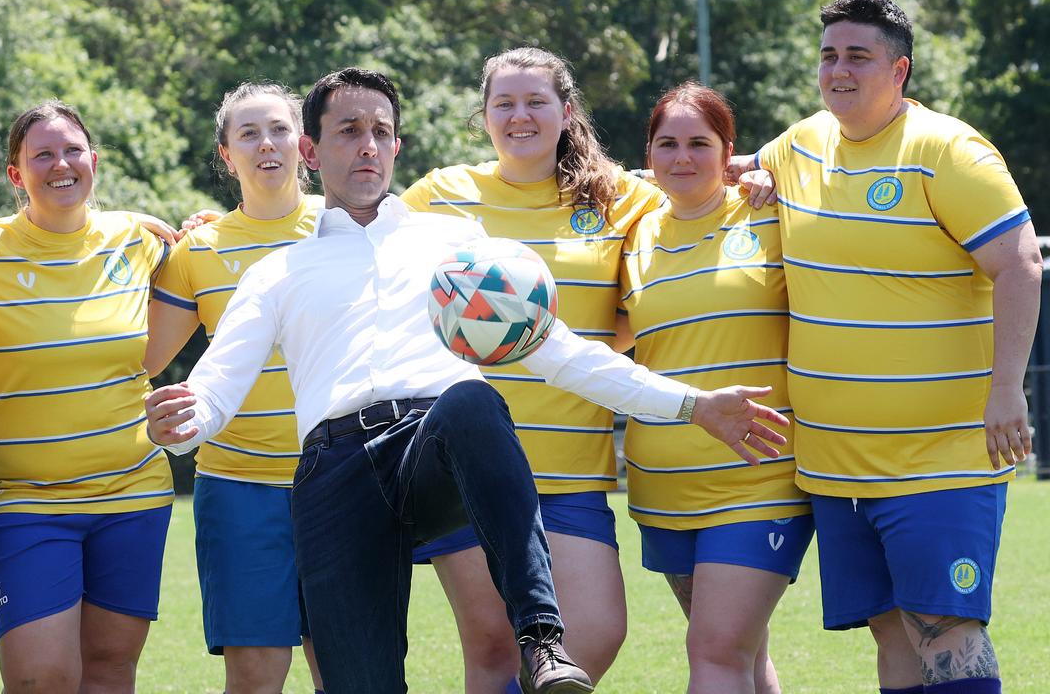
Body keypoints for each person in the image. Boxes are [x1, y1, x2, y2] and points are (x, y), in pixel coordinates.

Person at [144, 66, 790, 694]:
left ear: (397, 145)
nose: (366, 146)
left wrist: (691, 405)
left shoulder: (455, 244)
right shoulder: (279, 271)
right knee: (358, 680)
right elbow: (219, 381)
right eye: (346, 131)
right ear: (311, 149)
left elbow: (560, 351)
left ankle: (540, 638)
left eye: (379, 131)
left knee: (473, 400)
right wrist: (183, 424)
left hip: (435, 449)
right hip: (335, 471)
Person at [398, 47, 777, 692]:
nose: (521, 116)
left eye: (536, 101)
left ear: (566, 111)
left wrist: (754, 172)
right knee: (494, 649)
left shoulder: (618, 199)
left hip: (573, 470)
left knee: (595, 633)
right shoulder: (439, 196)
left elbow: (692, 190)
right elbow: (359, 249)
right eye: (504, 103)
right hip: (469, 466)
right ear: (483, 117)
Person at [735, 0, 1040, 694]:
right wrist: (751, 181)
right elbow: (745, 174)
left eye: (858, 56)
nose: (838, 70)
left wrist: (1005, 389)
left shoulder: (946, 150)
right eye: (828, 55)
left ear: (898, 70)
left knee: (945, 625)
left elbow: (1020, 263)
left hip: (939, 459)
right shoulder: (799, 144)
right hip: (835, 467)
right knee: (893, 629)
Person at [0, 100, 176, 693]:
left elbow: (207, 265)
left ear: (94, 161)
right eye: (42, 154)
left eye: (73, 150)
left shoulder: (137, 240)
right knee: (41, 677)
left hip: (132, 493)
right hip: (21, 499)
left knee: (109, 672)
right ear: (15, 174)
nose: (61, 164)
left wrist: (208, 224)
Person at [617, 82, 812, 694]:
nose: (681, 158)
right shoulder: (632, 235)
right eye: (666, 144)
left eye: (699, 143)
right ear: (648, 154)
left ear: (730, 150)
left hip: (761, 477)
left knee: (714, 650)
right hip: (663, 489)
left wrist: (761, 178)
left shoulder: (771, 213)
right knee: (742, 657)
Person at [144, 82, 326, 694]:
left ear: (303, 144)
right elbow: (139, 356)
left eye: (277, 129)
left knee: (352, 670)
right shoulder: (199, 248)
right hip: (238, 487)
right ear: (227, 155)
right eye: (247, 134)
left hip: (344, 480)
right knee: (254, 677)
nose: (265, 144)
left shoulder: (351, 225)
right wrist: (129, 242)